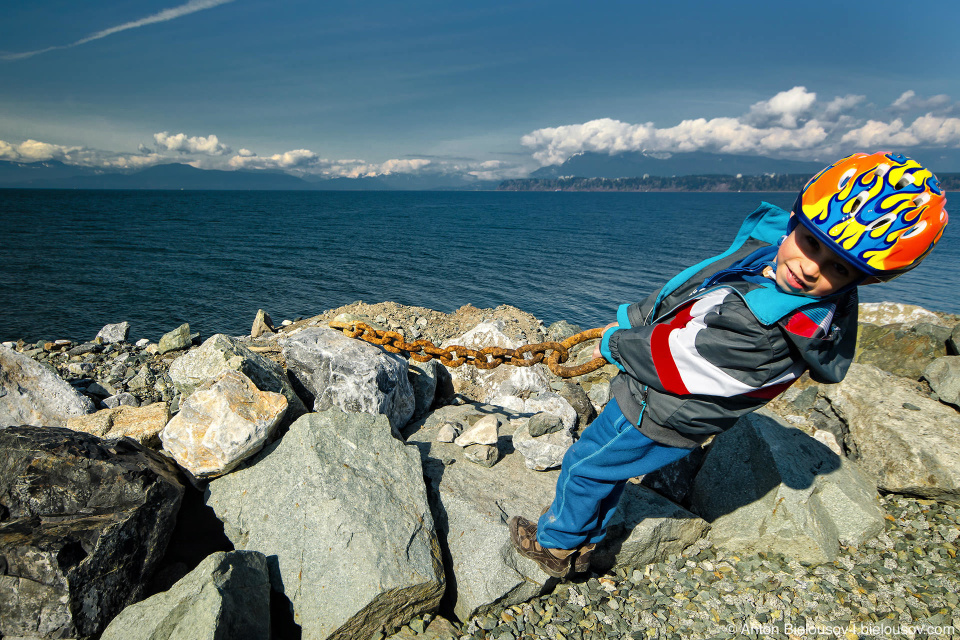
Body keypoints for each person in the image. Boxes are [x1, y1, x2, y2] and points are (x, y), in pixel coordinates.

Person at [510, 151, 949, 578]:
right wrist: (635, 318)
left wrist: (616, 343)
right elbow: (698, 288)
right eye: (810, 242)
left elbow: (676, 361)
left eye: (836, 267)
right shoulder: (775, 271)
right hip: (662, 401)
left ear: (861, 278)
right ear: (795, 223)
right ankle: (588, 532)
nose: (809, 267)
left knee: (586, 465)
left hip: (657, 408)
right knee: (608, 471)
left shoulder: (766, 330)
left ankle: (557, 544)